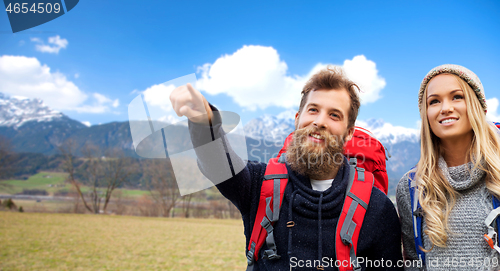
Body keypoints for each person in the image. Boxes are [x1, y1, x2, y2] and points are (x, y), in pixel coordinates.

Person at [171, 67, 403, 270]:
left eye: (334, 115)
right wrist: (204, 123)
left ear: (349, 132)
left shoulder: (377, 207)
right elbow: (220, 166)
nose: (320, 121)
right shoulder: (259, 185)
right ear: (297, 118)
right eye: (313, 110)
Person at [396, 64, 500, 271]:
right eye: (434, 101)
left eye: (457, 97)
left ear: (477, 106)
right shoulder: (411, 188)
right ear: (426, 115)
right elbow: (413, 265)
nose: (445, 108)